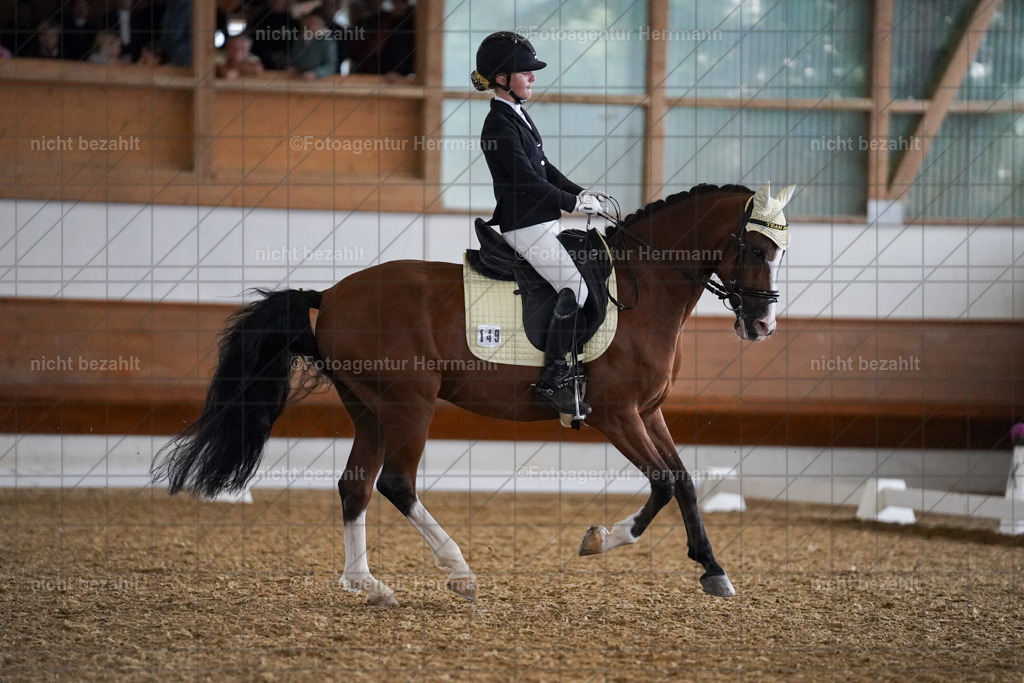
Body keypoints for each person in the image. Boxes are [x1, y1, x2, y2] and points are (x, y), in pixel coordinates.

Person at [471, 31, 605, 417]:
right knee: (574, 286)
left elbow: (546, 169)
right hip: (525, 226)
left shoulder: (516, 113)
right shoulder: (497, 124)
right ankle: (554, 378)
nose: (532, 78)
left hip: (543, 221)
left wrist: (582, 194)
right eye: (525, 72)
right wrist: (570, 203)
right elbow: (526, 181)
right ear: (501, 80)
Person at [287, 10, 336, 79]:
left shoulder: (327, 41)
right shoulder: (300, 38)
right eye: (311, 22)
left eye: (316, 23)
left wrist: (316, 73)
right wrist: (293, 67)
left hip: (320, 78)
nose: (312, 26)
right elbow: (294, 58)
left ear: (322, 24)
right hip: (300, 76)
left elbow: (330, 66)